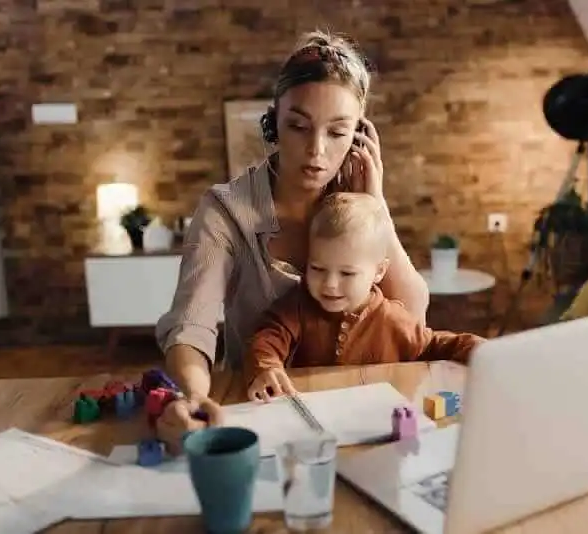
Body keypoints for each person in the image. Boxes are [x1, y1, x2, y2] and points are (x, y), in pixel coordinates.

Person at [152, 30, 431, 454]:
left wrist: (376, 204)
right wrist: (191, 396)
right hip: (262, 410)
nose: (316, 150)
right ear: (274, 122)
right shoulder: (225, 210)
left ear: (359, 135)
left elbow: (411, 312)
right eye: (299, 126)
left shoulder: (357, 199)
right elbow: (193, 323)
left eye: (337, 132)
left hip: (363, 411)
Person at [247, 192, 484, 401]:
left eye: (347, 273)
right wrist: (266, 368)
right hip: (313, 418)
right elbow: (268, 337)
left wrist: (483, 352)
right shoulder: (298, 305)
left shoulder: (393, 319)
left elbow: (434, 345)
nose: (329, 284)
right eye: (317, 269)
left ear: (379, 271)